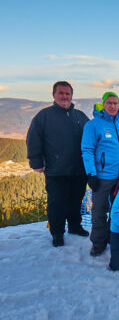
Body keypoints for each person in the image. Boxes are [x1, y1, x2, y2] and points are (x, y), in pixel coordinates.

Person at [27, 81, 90, 246]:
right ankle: (57, 233)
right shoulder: (44, 116)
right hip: (56, 170)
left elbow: (92, 139)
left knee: (76, 200)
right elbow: (33, 139)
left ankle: (75, 226)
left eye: (67, 93)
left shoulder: (80, 116)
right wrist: (36, 162)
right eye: (61, 93)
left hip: (79, 169)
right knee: (57, 203)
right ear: (54, 95)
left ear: (72, 96)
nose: (64, 96)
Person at [81, 92, 119, 256]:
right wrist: (91, 173)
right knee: (99, 211)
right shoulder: (93, 125)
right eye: (109, 103)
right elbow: (87, 149)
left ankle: (116, 238)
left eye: (115, 104)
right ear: (103, 105)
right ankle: (98, 242)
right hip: (103, 177)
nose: (112, 106)